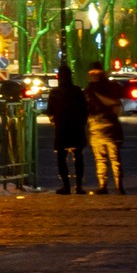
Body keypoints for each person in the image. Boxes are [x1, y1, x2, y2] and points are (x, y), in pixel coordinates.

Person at [46, 65, 89, 194]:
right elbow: (85, 109)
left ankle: (66, 186)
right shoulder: (77, 91)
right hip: (76, 127)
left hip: (62, 128)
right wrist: (82, 122)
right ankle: (79, 186)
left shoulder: (55, 93)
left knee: (61, 157)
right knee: (78, 156)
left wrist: (54, 119)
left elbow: (50, 111)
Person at [86, 62, 126, 194]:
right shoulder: (106, 87)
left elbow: (116, 105)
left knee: (108, 159)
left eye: (96, 73)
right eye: (92, 74)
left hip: (105, 127)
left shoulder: (94, 89)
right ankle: (110, 185)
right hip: (102, 127)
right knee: (108, 159)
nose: (94, 76)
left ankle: (111, 186)